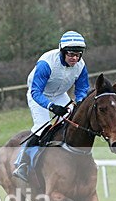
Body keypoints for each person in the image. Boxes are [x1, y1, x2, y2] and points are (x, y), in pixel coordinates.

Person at [12, 31, 90, 181]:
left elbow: (82, 88)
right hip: (39, 95)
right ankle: (22, 163)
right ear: (62, 51)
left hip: (60, 95)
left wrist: (79, 101)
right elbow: (36, 92)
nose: (74, 58)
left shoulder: (81, 65)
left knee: (73, 122)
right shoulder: (46, 63)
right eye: (71, 54)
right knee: (42, 127)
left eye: (78, 55)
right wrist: (52, 107)